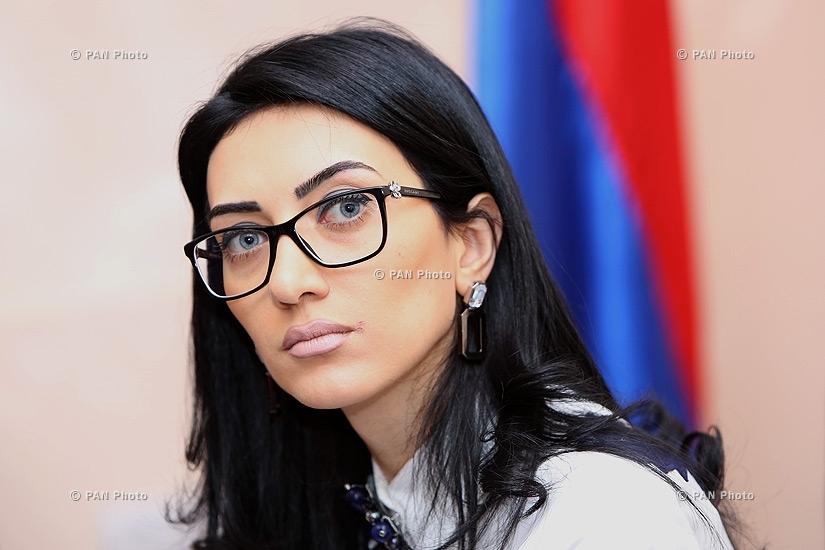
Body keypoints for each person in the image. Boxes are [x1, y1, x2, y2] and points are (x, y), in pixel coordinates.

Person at [169, 17, 743, 549]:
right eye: (244, 239)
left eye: (345, 208)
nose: (288, 281)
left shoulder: (608, 515)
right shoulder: (320, 505)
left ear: (471, 245)